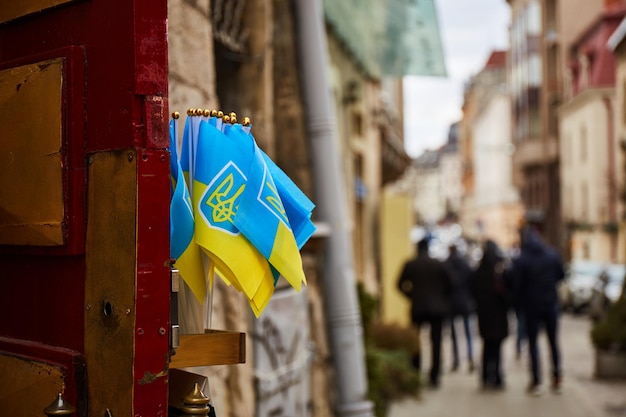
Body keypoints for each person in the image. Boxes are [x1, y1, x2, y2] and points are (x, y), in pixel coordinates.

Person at [509, 227, 565, 396]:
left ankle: (536, 381)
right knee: (553, 342)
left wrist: (515, 304)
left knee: (533, 343)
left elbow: (516, 285)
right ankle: (556, 377)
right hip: (550, 304)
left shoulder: (522, 260)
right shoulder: (552, 255)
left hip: (531, 306)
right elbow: (562, 275)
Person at [397, 237, 455, 388]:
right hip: (437, 309)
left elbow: (399, 285)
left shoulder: (411, 264)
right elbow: (452, 283)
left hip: (418, 307)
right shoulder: (438, 264)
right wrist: (442, 298)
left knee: (415, 341)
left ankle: (415, 372)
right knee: (436, 342)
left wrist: (411, 296)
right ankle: (434, 375)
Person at [471, 239, 509, 390]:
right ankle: (497, 376)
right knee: (497, 347)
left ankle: (486, 376)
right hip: (499, 315)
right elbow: (507, 294)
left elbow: (473, 291)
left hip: (485, 315)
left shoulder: (479, 272)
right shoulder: (499, 272)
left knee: (486, 346)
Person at [445, 243, 476, 373]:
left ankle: (456, 359)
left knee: (454, 334)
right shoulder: (465, 264)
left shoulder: (446, 265)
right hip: (465, 302)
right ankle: (470, 357)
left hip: (451, 303)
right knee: (468, 332)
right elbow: (472, 283)